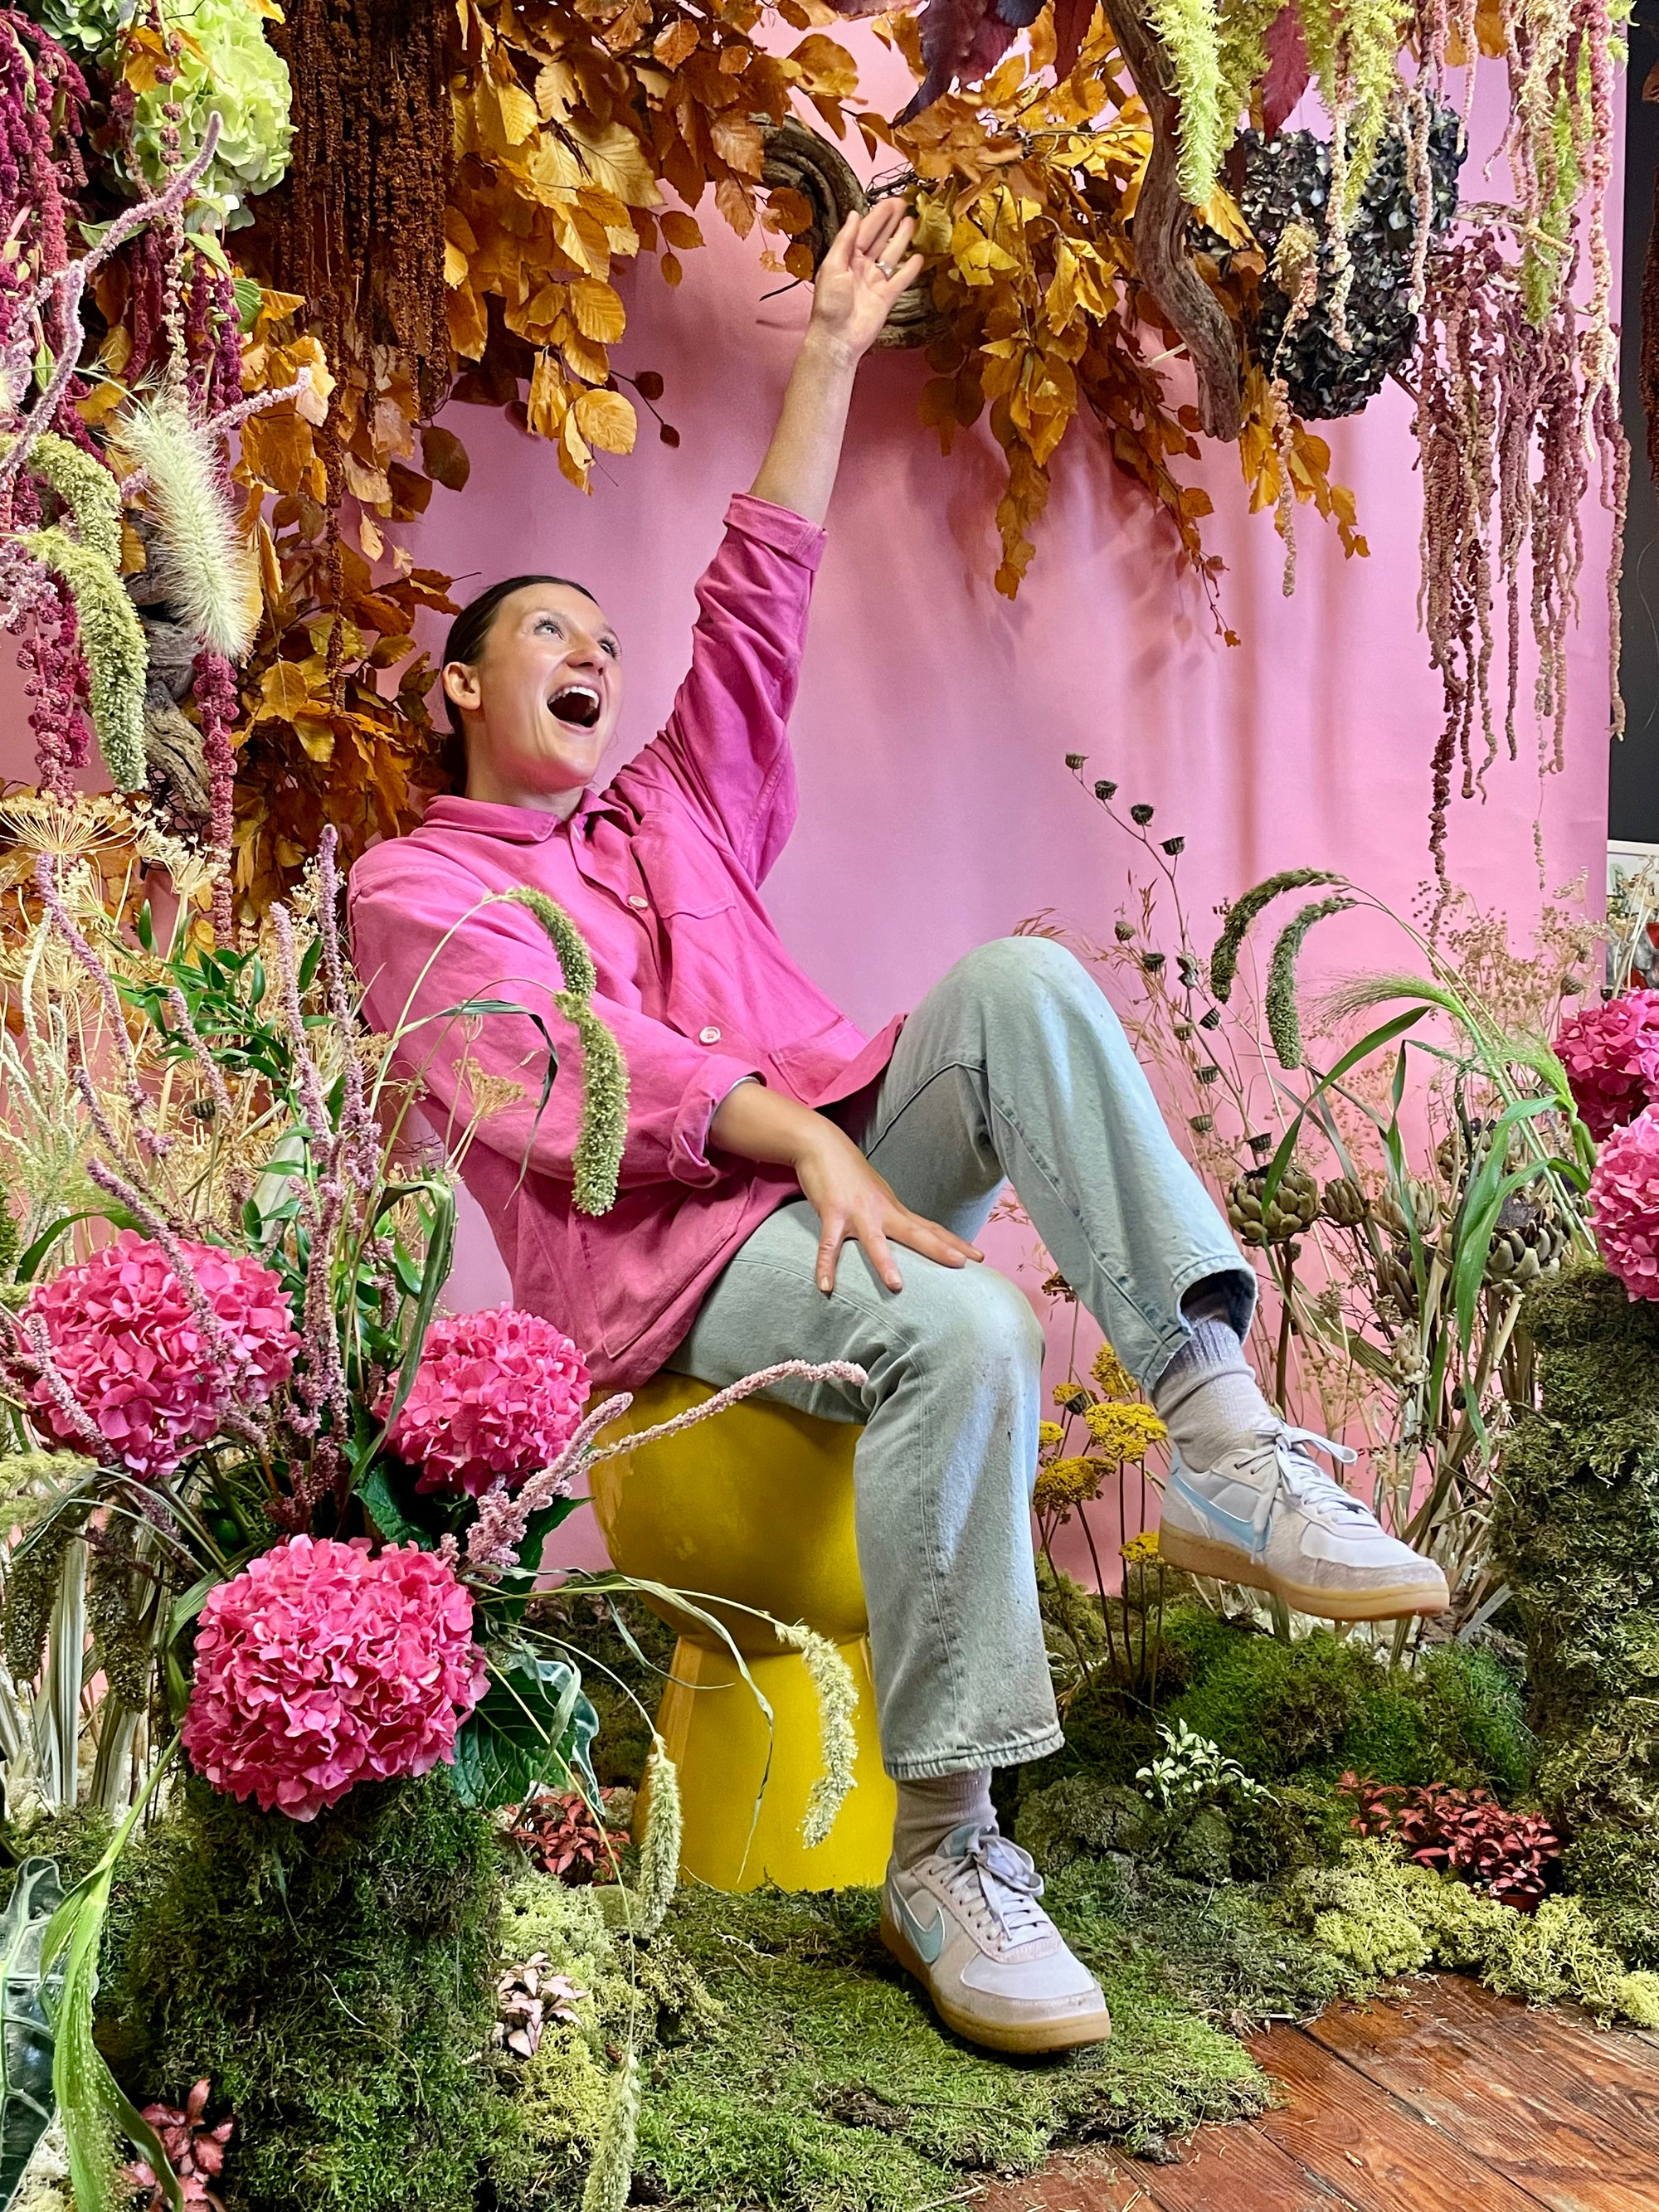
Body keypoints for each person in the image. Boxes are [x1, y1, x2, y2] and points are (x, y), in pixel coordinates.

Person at [347, 202, 1449, 2060]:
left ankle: (1223, 1435)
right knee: (969, 1323)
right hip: (667, 1277)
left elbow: (758, 591)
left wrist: (839, 342)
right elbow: (563, 1089)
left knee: (1022, 987)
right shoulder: (410, 884)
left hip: (821, 1173)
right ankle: (950, 1849)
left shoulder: (669, 818)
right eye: (550, 629)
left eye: (600, 638)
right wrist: (807, 1139)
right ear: (462, 686)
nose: (589, 649)